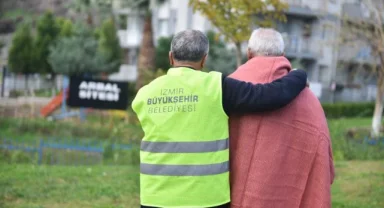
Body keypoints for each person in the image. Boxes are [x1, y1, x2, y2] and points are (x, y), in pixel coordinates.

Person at [132, 29, 308, 208]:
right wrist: (298, 75)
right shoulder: (216, 87)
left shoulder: (145, 94)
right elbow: (271, 95)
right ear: (203, 59)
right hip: (206, 199)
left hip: (155, 198)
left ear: (171, 57)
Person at [229, 28, 335, 208]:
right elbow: (324, 165)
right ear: (283, 55)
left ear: (248, 53)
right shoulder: (310, 101)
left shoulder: (228, 87)